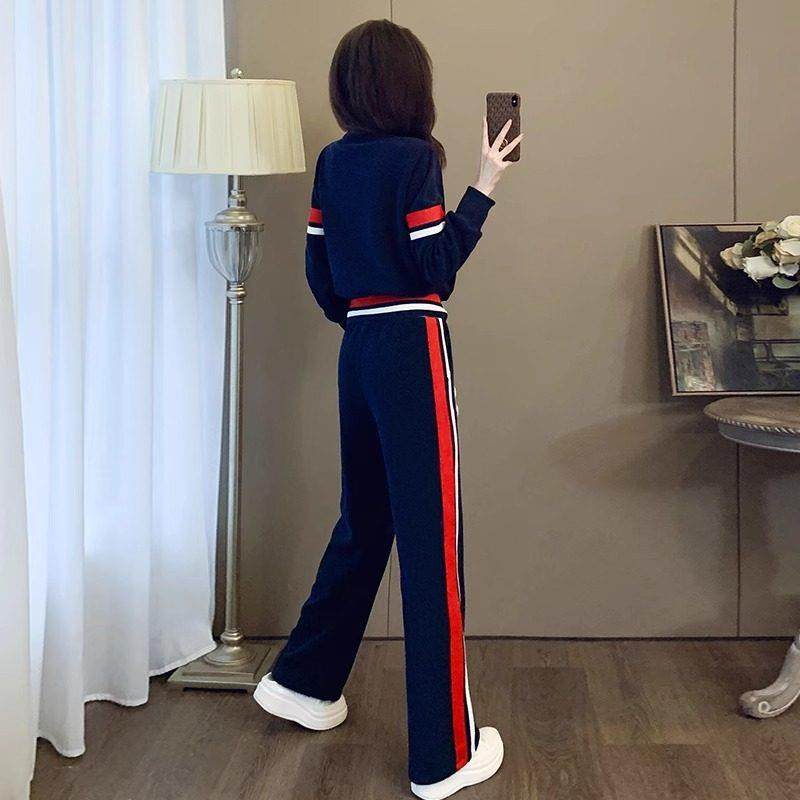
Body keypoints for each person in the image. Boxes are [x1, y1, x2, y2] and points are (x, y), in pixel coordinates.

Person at [253, 18, 521, 800]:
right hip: (411, 342)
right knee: (431, 538)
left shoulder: (333, 162)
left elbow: (320, 271)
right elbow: (434, 266)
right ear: (412, 85)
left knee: (365, 519)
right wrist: (485, 185)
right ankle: (444, 756)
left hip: (360, 345)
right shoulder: (415, 159)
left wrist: (362, 319)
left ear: (345, 87)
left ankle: (303, 683)